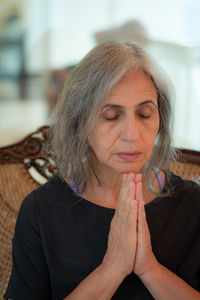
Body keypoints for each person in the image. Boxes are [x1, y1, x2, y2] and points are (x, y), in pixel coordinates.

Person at [4, 41, 200, 300]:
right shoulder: (41, 212)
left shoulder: (192, 204)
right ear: (80, 122)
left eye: (144, 114)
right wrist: (112, 269)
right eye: (110, 116)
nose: (131, 134)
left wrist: (151, 270)